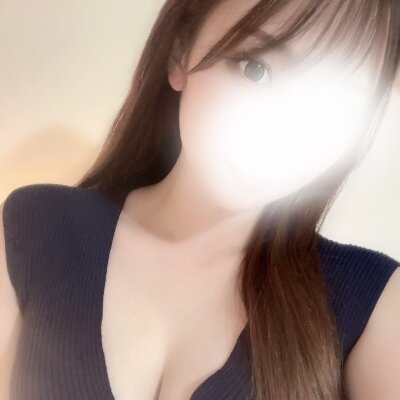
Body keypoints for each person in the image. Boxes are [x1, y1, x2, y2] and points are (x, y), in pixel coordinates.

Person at [1, 0, 400, 399]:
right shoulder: (34, 229)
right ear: (180, 53)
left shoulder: (372, 303)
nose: (286, 127)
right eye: (255, 69)